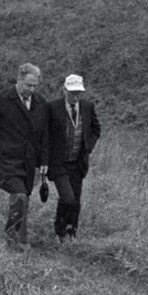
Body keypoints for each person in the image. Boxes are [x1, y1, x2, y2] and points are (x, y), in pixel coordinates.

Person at [0, 63, 49, 250]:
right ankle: (20, 240)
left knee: (23, 198)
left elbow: (44, 135)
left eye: (34, 86)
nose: (31, 90)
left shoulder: (41, 103)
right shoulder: (0, 100)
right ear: (18, 80)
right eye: (28, 85)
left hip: (28, 160)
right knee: (19, 196)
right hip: (4, 158)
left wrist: (44, 161)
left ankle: (11, 234)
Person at [46, 74, 101, 242]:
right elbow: (44, 134)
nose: (75, 96)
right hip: (58, 163)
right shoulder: (52, 108)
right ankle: (59, 230)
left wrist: (88, 147)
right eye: (72, 92)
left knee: (75, 200)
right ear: (64, 90)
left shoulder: (87, 107)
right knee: (67, 197)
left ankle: (71, 231)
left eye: (78, 92)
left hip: (78, 163)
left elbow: (96, 129)